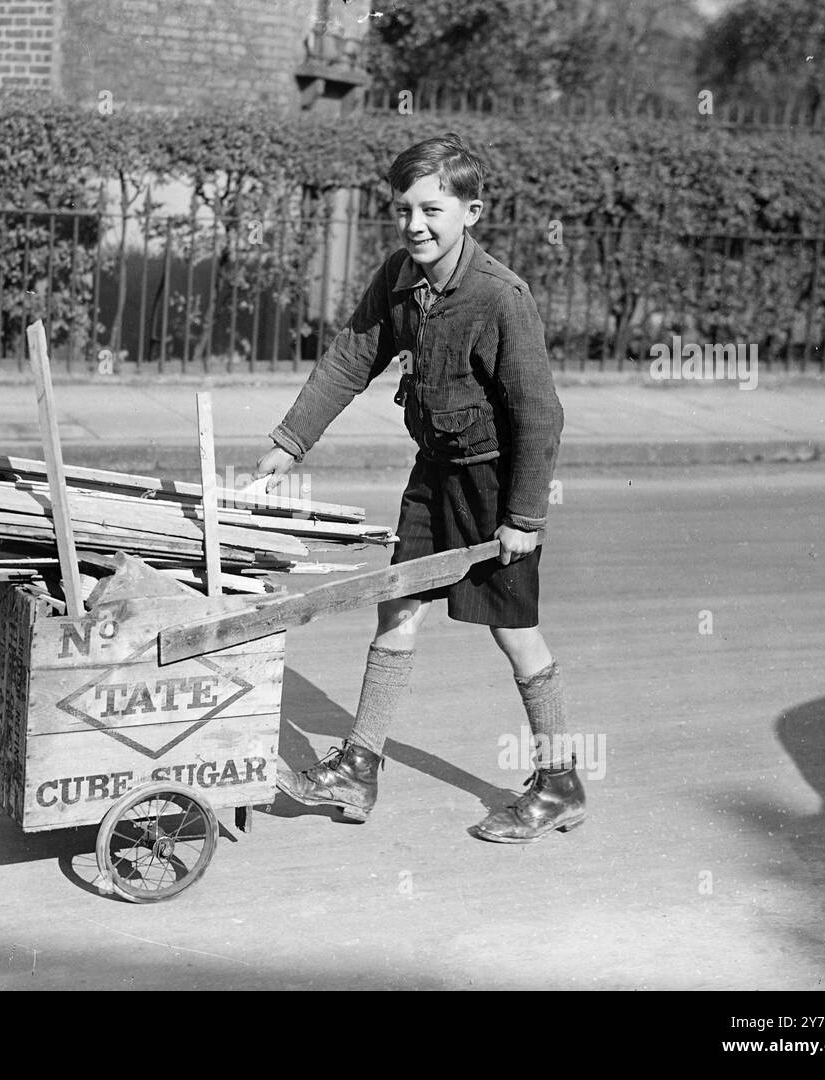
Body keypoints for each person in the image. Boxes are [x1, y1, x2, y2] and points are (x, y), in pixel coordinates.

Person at [253, 132, 583, 843]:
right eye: (403, 209)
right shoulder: (400, 278)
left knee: (515, 633)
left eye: (432, 209)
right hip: (433, 476)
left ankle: (559, 781)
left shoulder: (501, 297)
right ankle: (358, 768)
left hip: (496, 488)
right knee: (397, 610)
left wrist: (523, 516)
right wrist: (290, 441)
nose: (415, 224)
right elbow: (350, 358)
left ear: (472, 211)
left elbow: (540, 413)